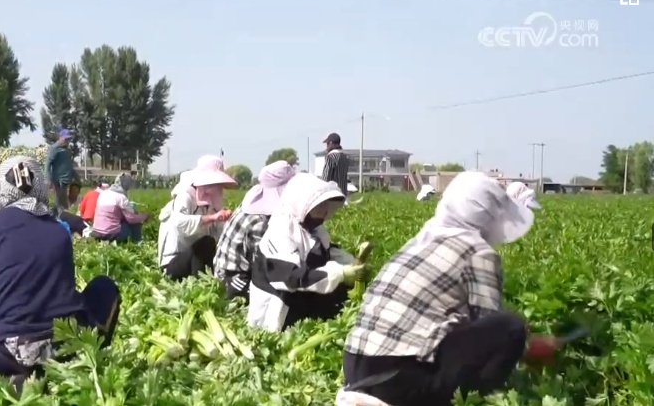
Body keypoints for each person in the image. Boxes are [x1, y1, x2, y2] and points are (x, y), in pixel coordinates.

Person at [338, 172, 554, 406]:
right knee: (509, 327)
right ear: (489, 216)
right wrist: (527, 345)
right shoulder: (479, 251)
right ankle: (469, 401)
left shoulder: (423, 240)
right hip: (398, 383)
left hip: (355, 371)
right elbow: (488, 322)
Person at [0, 156, 121, 387]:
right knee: (104, 286)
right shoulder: (59, 229)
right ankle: (88, 358)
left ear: (2, 191)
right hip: (68, 347)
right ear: (40, 188)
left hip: (10, 353)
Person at [247, 173, 365, 332]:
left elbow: (324, 250)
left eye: (326, 205)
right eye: (320, 205)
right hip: (275, 311)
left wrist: (348, 261)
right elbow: (292, 278)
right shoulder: (280, 232)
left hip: (299, 301)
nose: (325, 211)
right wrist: (340, 273)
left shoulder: (311, 227)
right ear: (302, 204)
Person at [214, 161, 296, 301]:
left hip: (234, 269)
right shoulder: (260, 220)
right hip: (233, 277)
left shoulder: (254, 205)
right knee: (281, 298)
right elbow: (263, 263)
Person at [158, 156, 237, 280]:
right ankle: (200, 284)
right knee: (206, 243)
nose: (219, 189)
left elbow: (220, 234)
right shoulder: (185, 197)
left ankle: (209, 280)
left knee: (214, 247)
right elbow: (179, 224)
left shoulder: (210, 204)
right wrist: (212, 218)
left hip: (193, 262)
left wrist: (229, 223)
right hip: (172, 264)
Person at [45, 129, 77, 215]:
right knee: (60, 203)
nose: (67, 141)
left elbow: (67, 163)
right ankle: (59, 219)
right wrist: (48, 179)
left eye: (69, 139)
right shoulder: (55, 148)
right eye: (66, 139)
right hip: (59, 179)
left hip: (66, 178)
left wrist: (74, 174)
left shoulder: (66, 149)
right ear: (60, 137)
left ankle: (57, 216)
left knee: (62, 202)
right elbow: (48, 163)